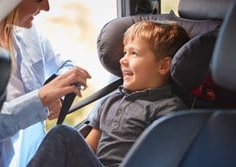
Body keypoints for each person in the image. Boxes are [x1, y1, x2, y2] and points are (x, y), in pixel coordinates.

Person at [27, 20, 190, 167]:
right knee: (62, 137)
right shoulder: (110, 102)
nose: (122, 60)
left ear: (163, 65)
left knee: (63, 134)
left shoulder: (169, 109)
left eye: (134, 53)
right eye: (124, 52)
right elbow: (89, 149)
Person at [0, 0, 91, 167]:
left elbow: (65, 67)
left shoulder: (29, 35)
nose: (47, 7)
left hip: (19, 160)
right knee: (63, 136)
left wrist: (57, 94)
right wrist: (41, 98)